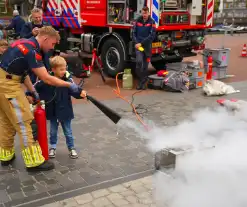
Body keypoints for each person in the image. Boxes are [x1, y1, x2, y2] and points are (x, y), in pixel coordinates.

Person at [0, 26, 85, 171]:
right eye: (52, 44)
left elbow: (22, 73)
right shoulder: (32, 51)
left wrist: (33, 91)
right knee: (23, 122)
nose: (52, 48)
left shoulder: (25, 43)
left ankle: (6, 155)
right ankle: (33, 162)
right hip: (9, 87)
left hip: (5, 82)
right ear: (45, 39)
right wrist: (70, 86)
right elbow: (46, 78)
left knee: (7, 121)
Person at [34, 56, 86, 159]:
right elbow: (35, 87)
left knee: (68, 132)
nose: (64, 71)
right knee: (53, 131)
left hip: (65, 111)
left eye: (65, 68)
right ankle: (53, 147)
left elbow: (74, 91)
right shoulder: (46, 80)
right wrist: (30, 94)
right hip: (52, 111)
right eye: (61, 69)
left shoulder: (68, 80)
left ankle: (71, 148)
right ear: (53, 69)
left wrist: (81, 93)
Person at [21, 8, 51, 82]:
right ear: (32, 17)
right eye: (36, 17)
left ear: (42, 16)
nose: (38, 19)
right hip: (32, 52)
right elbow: (22, 38)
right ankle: (32, 91)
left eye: (39, 17)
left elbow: (52, 36)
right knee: (32, 73)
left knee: (45, 73)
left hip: (44, 53)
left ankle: (43, 88)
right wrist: (32, 33)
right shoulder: (27, 25)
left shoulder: (47, 25)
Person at [132, 6, 156, 90]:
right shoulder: (137, 21)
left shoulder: (152, 22)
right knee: (138, 63)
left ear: (148, 13)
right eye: (143, 13)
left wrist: (141, 43)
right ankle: (141, 80)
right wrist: (136, 43)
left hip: (146, 47)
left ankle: (142, 83)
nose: (144, 15)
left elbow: (152, 36)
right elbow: (133, 33)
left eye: (146, 13)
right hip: (139, 46)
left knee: (145, 67)